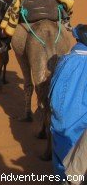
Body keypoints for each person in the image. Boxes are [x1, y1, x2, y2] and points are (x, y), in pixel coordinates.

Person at [50, 24, 87, 180]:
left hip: (67, 113)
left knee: (62, 136)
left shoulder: (68, 60)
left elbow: (55, 89)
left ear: (77, 38)